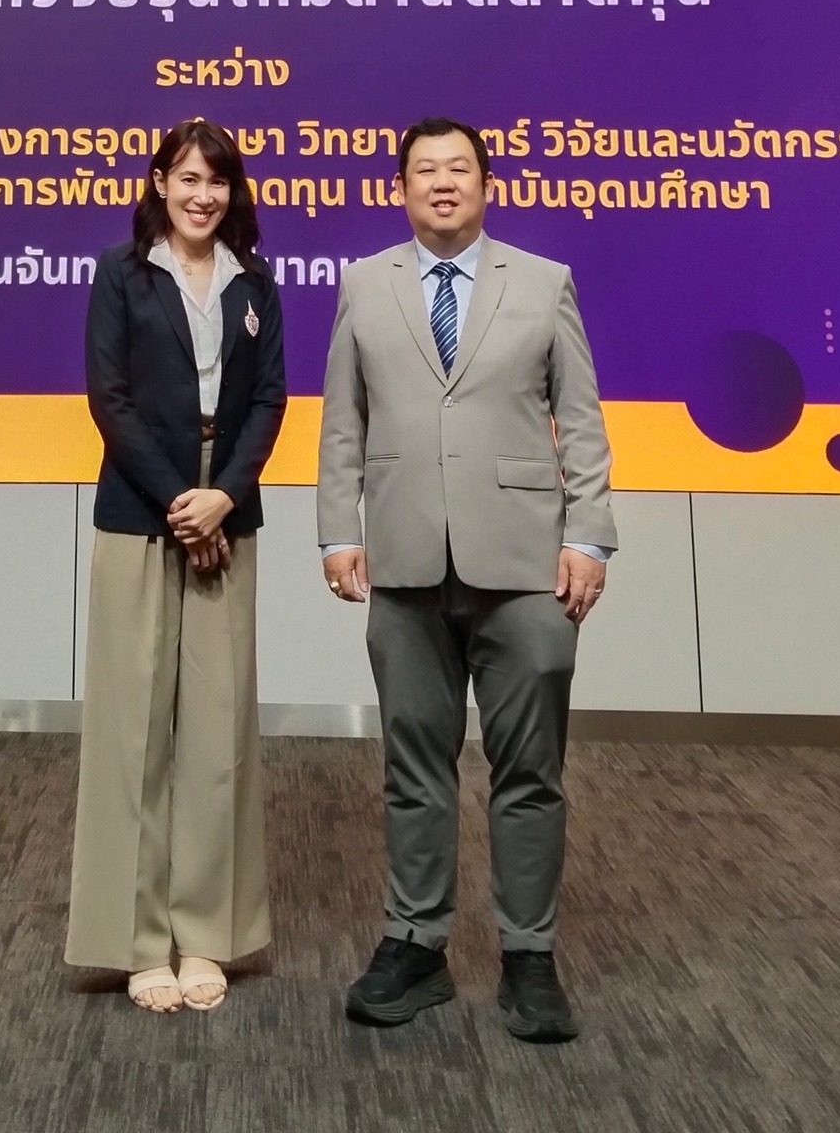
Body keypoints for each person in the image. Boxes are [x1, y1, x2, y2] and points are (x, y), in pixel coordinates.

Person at [317, 116, 616, 1041]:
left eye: (459, 169)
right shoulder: (364, 284)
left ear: (488, 184)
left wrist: (590, 537)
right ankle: (416, 946)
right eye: (424, 170)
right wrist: (338, 531)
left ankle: (530, 956)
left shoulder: (544, 281)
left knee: (531, 770)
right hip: (404, 560)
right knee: (413, 766)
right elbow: (342, 421)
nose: (442, 183)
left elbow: (582, 418)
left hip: (527, 566)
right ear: (400, 188)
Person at [67, 117, 286, 1014]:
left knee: (217, 732)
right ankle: (135, 941)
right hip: (141, 508)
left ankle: (206, 936)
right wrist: (179, 503)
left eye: (217, 181)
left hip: (226, 511)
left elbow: (269, 400)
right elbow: (109, 399)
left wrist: (222, 497)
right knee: (133, 730)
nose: (203, 196)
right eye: (188, 178)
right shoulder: (120, 274)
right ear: (159, 181)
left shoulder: (255, 282)